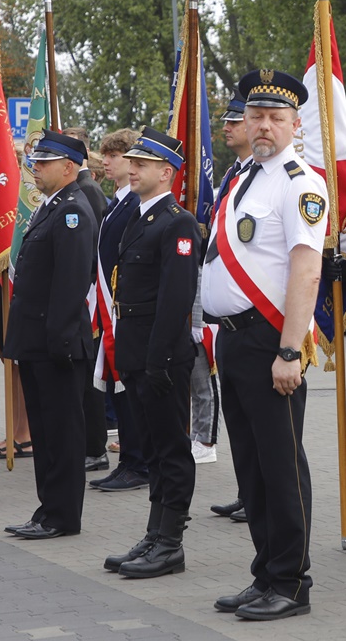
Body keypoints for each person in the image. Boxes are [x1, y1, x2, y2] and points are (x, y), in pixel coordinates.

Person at [202, 68, 327, 621]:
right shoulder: (244, 176)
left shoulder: (300, 181)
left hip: (269, 341)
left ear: (295, 125)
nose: (264, 126)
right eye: (255, 116)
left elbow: (307, 268)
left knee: (280, 464)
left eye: (276, 118)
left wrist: (290, 350)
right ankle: (265, 571)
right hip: (233, 340)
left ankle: (291, 582)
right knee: (250, 466)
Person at [102, 128, 200, 579]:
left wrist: (158, 358)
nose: (132, 167)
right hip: (138, 350)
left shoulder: (177, 222)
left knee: (170, 450)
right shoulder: (141, 217)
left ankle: (170, 542)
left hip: (161, 354)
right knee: (155, 450)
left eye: (143, 163)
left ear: (167, 172)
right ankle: (154, 532)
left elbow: (175, 298)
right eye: (132, 161)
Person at [2, 129, 95, 538]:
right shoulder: (51, 206)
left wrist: (58, 342)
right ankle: (48, 508)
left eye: (43, 163)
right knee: (44, 430)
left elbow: (71, 284)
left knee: (61, 433)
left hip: (56, 343)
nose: (34, 168)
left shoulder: (73, 210)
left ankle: (63, 516)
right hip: (38, 341)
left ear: (68, 167)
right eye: (34, 162)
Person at [90, 129, 150, 494]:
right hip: (111, 309)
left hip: (125, 309)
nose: (107, 162)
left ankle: (138, 461)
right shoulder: (118, 201)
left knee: (128, 390)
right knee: (118, 386)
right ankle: (129, 457)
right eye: (106, 156)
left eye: (114, 156)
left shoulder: (133, 204)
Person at [207, 89, 252, 521]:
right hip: (229, 318)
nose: (226, 127)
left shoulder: (258, 174)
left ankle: (259, 495)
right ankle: (247, 490)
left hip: (260, 319)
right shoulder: (232, 174)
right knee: (238, 417)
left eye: (235, 120)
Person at [62, 127, 111, 474]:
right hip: (84, 296)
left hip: (91, 297)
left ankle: (96, 448)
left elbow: (93, 244)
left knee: (89, 382)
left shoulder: (88, 189)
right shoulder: (77, 189)